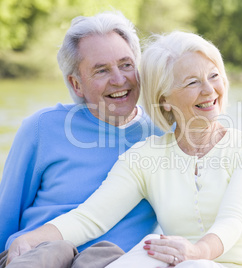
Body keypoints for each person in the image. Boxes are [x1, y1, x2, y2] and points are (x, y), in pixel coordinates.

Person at [7, 31, 242, 267]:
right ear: (165, 99)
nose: (209, 90)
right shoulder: (144, 157)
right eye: (192, 82)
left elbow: (233, 220)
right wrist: (32, 237)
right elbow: (90, 217)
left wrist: (196, 253)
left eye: (214, 76)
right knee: (150, 249)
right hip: (184, 263)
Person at [0, 11, 163, 267]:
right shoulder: (43, 128)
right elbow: (6, 213)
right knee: (56, 251)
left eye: (126, 65)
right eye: (101, 70)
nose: (119, 79)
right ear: (76, 84)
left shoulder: (164, 135)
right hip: (36, 256)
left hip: (111, 262)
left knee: (102, 256)